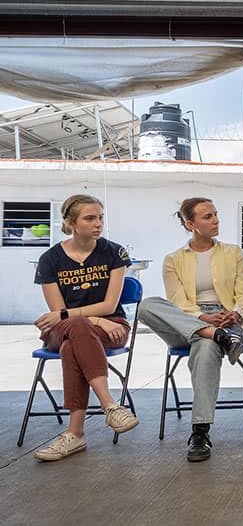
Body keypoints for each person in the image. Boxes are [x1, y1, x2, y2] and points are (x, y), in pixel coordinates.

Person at [138, 197, 243, 462]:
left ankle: (200, 431)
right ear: (190, 224)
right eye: (207, 217)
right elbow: (177, 301)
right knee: (146, 306)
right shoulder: (173, 260)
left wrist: (234, 313)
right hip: (186, 320)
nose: (215, 220)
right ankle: (215, 337)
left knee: (204, 346)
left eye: (215, 214)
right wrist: (203, 319)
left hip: (227, 319)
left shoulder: (233, 253)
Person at [32, 194, 138, 461]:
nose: (98, 223)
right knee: (75, 330)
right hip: (66, 328)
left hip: (111, 327)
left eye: (100, 217)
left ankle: (75, 434)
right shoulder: (50, 259)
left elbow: (109, 304)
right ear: (70, 222)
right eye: (90, 218)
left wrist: (97, 319)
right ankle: (110, 406)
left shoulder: (114, 252)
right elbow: (60, 316)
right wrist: (94, 319)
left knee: (72, 347)